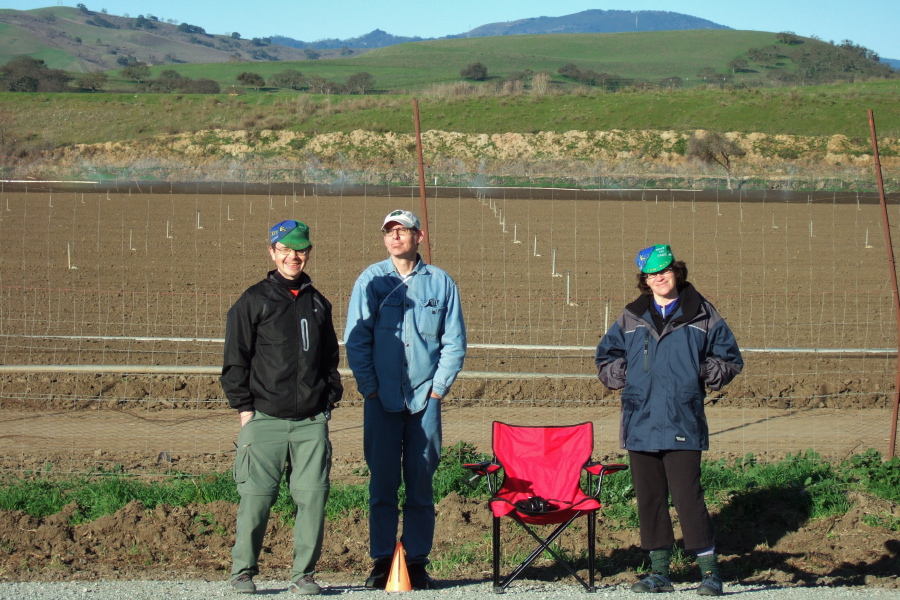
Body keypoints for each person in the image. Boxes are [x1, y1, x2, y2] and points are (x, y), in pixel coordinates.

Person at [594, 244, 742, 597]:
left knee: (688, 496)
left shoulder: (703, 314)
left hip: (683, 420)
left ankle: (709, 573)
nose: (658, 278)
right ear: (644, 280)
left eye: (664, 271)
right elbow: (605, 357)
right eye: (650, 274)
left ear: (677, 271)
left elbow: (730, 359)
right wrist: (622, 373)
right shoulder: (631, 317)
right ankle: (660, 573)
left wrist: (702, 369)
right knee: (650, 499)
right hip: (640, 420)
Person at [344, 209, 466, 590]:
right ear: (384, 239)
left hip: (424, 401)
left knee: (420, 482)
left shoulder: (441, 283)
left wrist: (437, 389)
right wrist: (370, 387)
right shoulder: (371, 281)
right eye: (389, 232)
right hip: (381, 400)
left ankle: (415, 561)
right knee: (381, 483)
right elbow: (357, 340)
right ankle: (382, 562)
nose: (396, 237)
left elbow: (454, 342)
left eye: (403, 231)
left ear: (419, 236)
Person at [221, 220, 342, 595]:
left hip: (309, 423)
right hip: (264, 419)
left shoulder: (318, 303)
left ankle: (303, 574)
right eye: (286, 250)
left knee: (313, 499)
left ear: (308, 253)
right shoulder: (253, 300)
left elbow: (329, 361)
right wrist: (245, 411)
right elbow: (235, 360)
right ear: (272, 252)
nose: (294, 256)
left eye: (301, 249)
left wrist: (326, 403)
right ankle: (243, 571)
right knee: (255, 500)